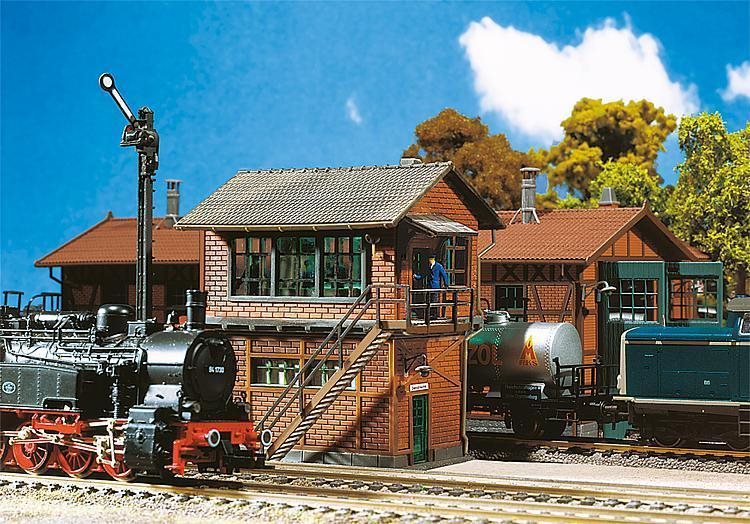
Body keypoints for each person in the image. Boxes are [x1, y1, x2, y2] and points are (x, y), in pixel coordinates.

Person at [413, 254, 449, 321]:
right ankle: (428, 315)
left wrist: (446, 284)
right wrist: (416, 276)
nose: (430, 261)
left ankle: (434, 315)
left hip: (435, 286)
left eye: (431, 259)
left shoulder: (438, 266)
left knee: (434, 301)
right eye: (429, 259)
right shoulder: (428, 267)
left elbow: (444, 274)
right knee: (428, 301)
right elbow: (424, 274)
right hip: (429, 286)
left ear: (433, 259)